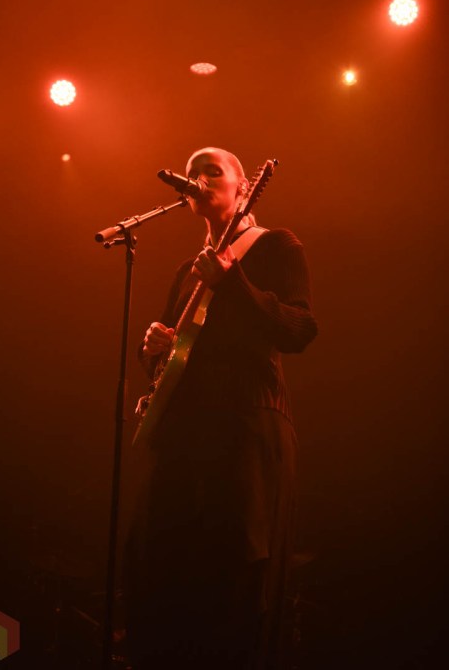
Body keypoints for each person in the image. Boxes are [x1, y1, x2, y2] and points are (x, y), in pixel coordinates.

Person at [123, 147, 318, 670]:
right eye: (193, 173)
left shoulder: (276, 245)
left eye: (213, 171)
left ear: (243, 187)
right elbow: (173, 362)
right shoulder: (187, 270)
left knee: (235, 577)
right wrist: (155, 349)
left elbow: (300, 329)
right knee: (159, 566)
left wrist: (233, 282)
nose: (199, 180)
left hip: (246, 428)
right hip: (185, 435)